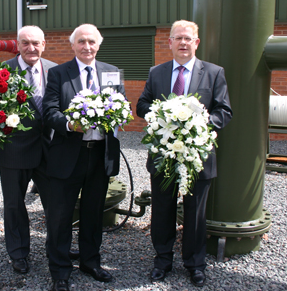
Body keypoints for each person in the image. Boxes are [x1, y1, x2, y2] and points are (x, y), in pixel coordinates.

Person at [136, 20, 232, 287]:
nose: (183, 43)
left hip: (197, 156)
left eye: (188, 38)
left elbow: (224, 112)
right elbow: (141, 104)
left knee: (195, 213)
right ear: (169, 42)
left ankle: (195, 264)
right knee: (162, 210)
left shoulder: (213, 73)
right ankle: (162, 260)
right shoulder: (157, 72)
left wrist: (198, 125)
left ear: (196, 42)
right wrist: (161, 115)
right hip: (163, 155)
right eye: (177, 38)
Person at [42, 24, 124, 291]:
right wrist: (69, 124)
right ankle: (60, 270)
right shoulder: (58, 73)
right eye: (81, 42)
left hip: (100, 155)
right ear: (73, 45)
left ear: (98, 45)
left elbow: (122, 105)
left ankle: (90, 261)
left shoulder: (111, 72)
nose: (87, 46)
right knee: (61, 216)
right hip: (68, 154)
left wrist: (118, 114)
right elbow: (49, 110)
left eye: (91, 42)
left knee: (93, 213)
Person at [0, 25, 57, 274]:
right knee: (14, 205)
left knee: (56, 204)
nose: (31, 48)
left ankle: (57, 247)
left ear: (44, 44)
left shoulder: (55, 70)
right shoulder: (2, 73)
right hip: (14, 150)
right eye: (25, 43)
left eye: (36, 43)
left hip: (51, 150)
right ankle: (18, 253)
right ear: (17, 45)